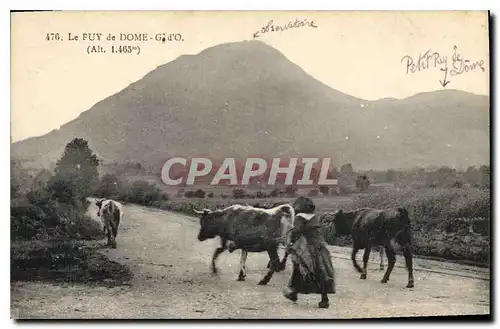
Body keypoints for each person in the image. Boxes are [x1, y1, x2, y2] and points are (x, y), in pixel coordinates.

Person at [283, 196, 336, 308]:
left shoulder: (298, 217)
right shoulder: (315, 217)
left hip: (306, 247)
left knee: (299, 269)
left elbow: (296, 231)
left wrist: (290, 243)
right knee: (321, 271)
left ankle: (294, 292)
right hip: (321, 246)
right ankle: (324, 299)